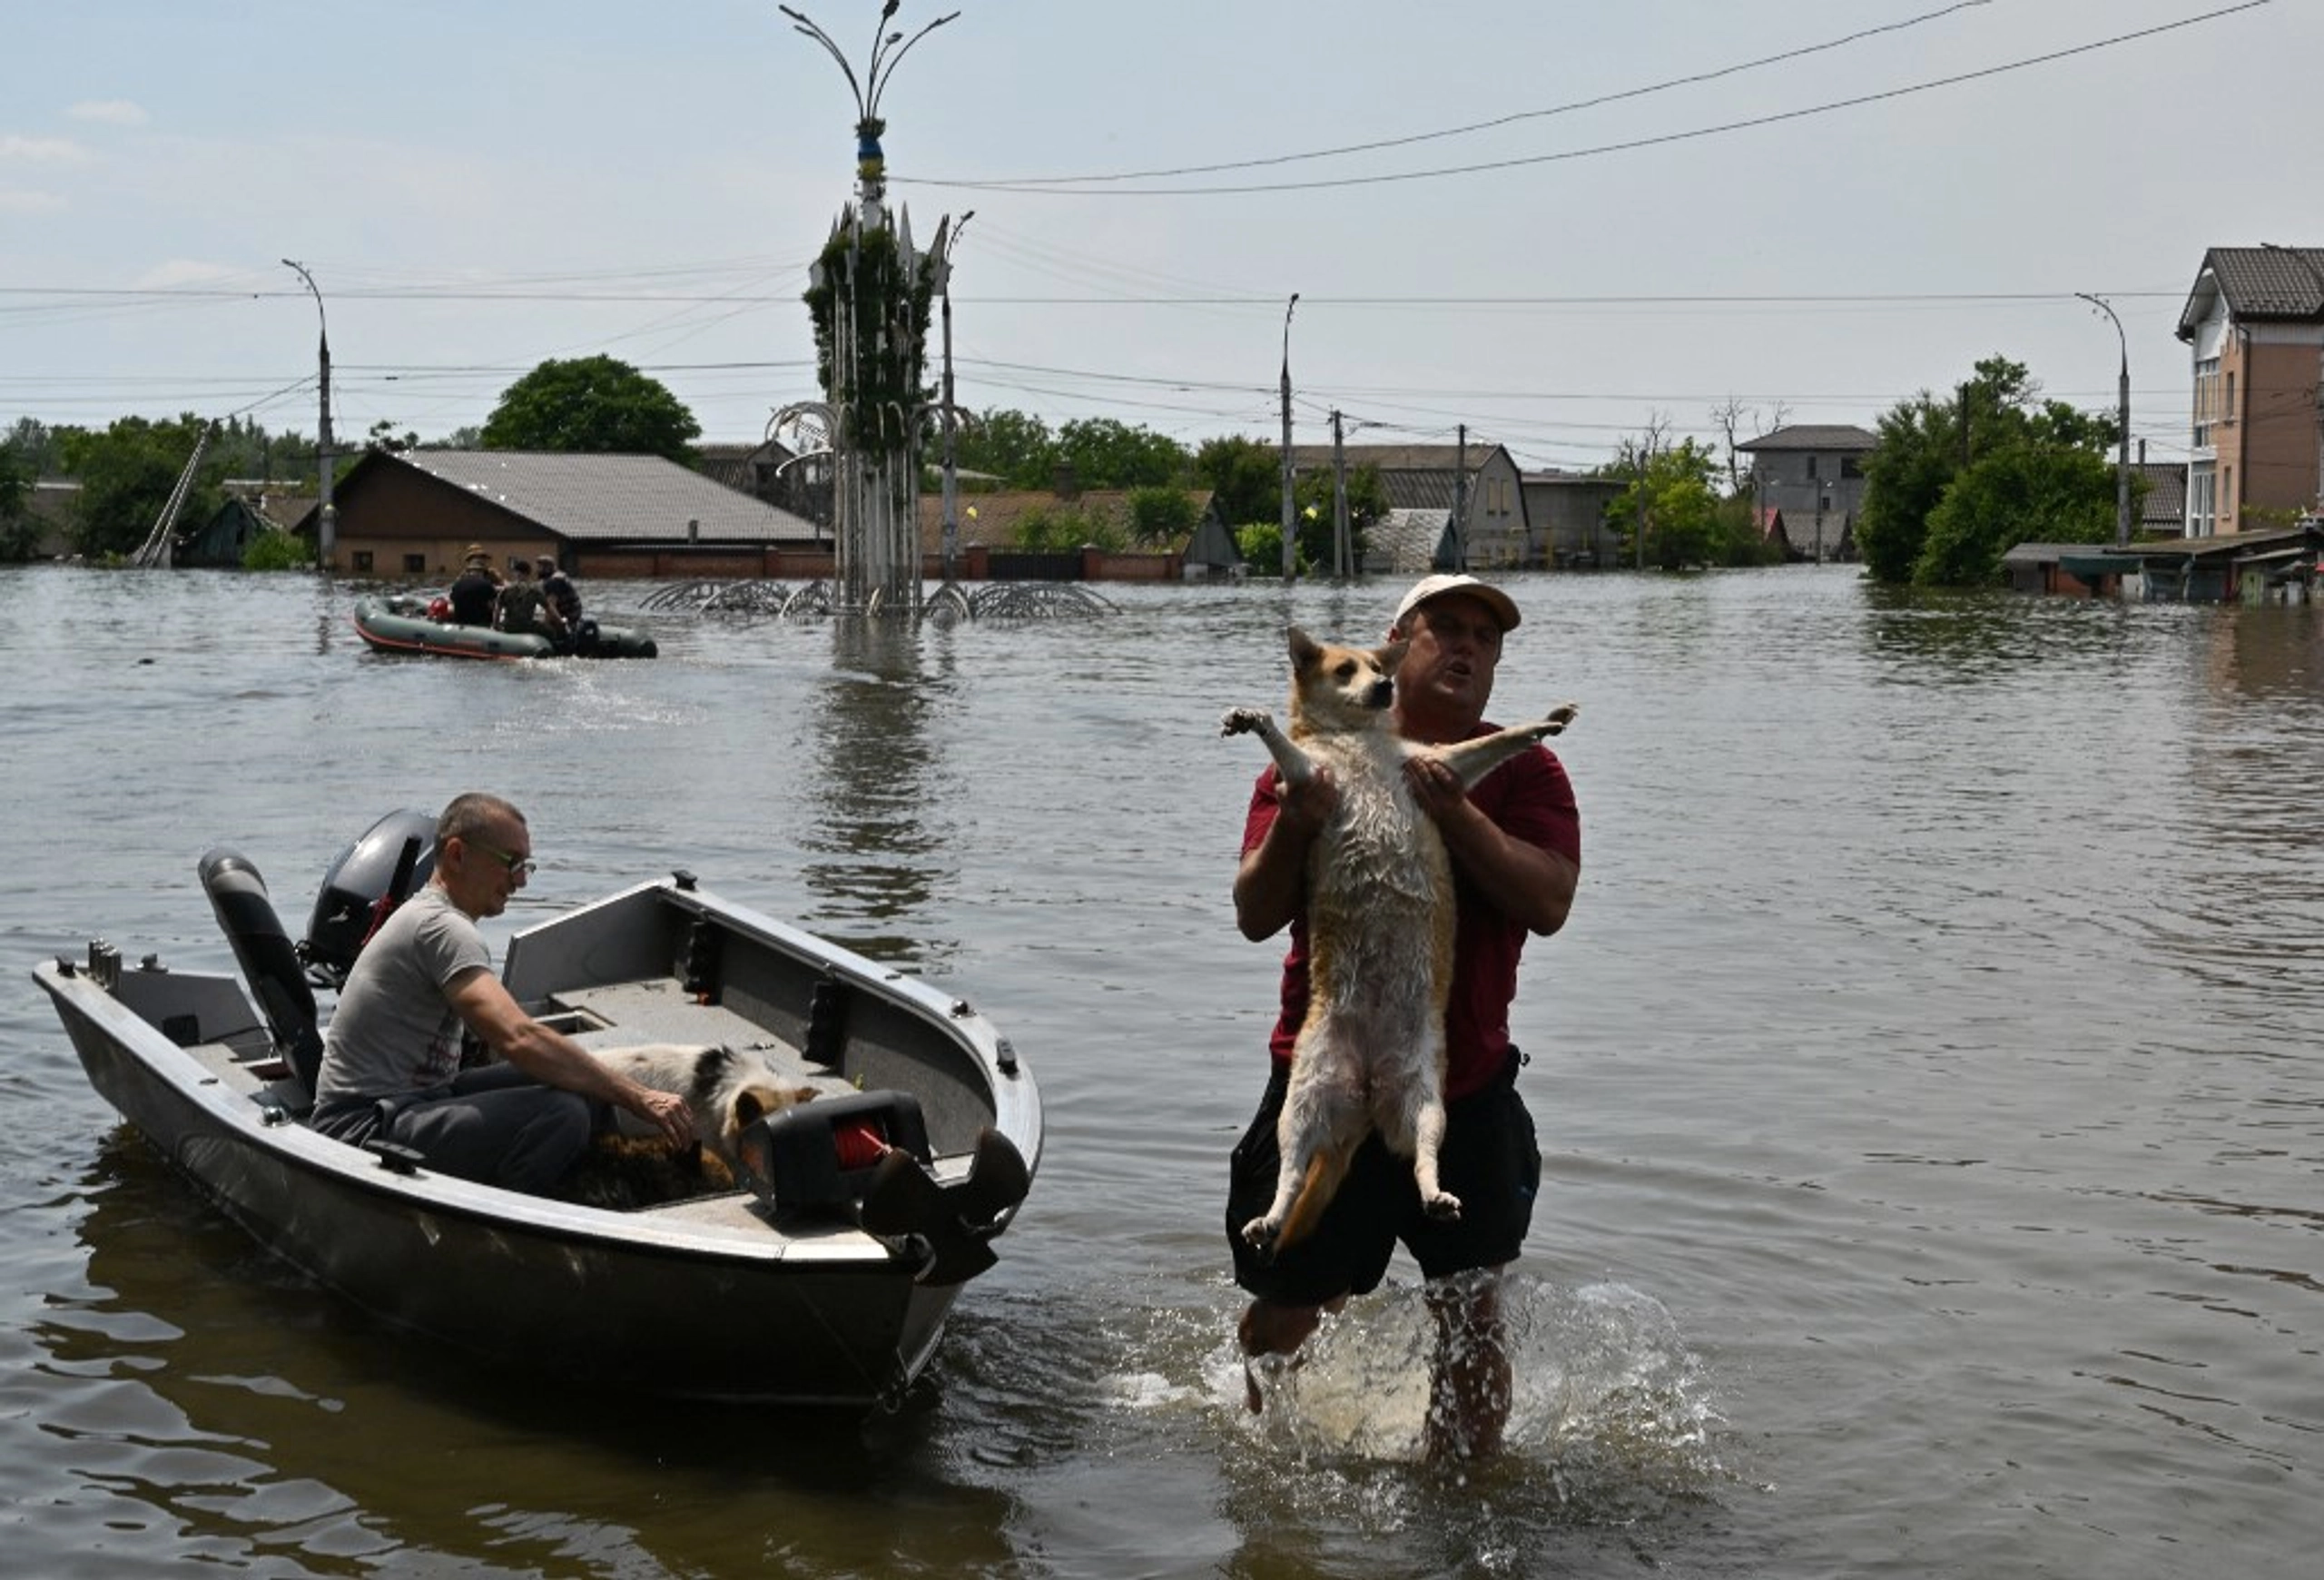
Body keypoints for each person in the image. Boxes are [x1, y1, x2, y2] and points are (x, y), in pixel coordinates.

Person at [1225, 572, 1581, 1460]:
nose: (1466, 648)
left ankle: (1459, 1496)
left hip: (1459, 1084)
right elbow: (1253, 912)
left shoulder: (1525, 766)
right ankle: (1270, 1468)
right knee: (1288, 1308)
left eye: (1485, 638)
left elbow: (1548, 901)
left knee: (1470, 1311)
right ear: (1394, 646)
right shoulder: (1320, 751)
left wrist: (1452, 809)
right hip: (1327, 1065)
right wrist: (1296, 827)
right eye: (1445, 629)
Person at [309, 792, 691, 1192]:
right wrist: (639, 1095)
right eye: (511, 863)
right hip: (360, 1127)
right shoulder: (441, 928)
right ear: (457, 855)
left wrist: (609, 1087)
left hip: (421, 1100)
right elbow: (517, 1038)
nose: (521, 880)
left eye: (526, 866)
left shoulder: (438, 921)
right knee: (560, 1115)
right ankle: (516, 1226)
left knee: (586, 1086)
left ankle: (602, 1187)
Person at [493, 559, 566, 642]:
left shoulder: (506, 590)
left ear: (515, 573)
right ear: (528, 574)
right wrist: (560, 622)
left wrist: (496, 626)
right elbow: (550, 609)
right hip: (527, 626)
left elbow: (497, 610)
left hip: (509, 626)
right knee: (550, 632)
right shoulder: (534, 590)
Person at [447, 546, 501, 627]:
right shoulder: (463, 576)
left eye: (482, 557)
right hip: (478, 617)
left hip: (481, 607)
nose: (481, 560)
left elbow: (501, 588)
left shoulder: (492, 574)